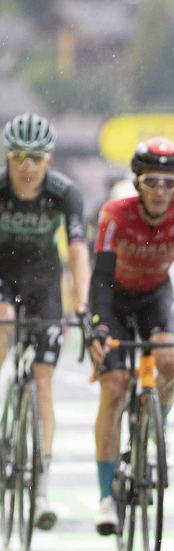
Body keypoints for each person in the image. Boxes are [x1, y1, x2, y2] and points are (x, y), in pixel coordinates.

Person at [89, 137, 174, 535]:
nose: (160, 191)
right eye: (151, 182)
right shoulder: (115, 213)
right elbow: (100, 277)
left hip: (155, 297)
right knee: (114, 388)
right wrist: (98, 324)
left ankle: (158, 426)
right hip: (114, 299)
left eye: (169, 182)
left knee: (168, 359)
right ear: (136, 183)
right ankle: (106, 497)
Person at [0, 113, 90, 530]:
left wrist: (83, 304)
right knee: (4, 318)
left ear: (49, 160)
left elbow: (78, 249)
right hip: (3, 278)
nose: (28, 166)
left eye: (36, 158)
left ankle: (41, 491)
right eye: (20, 156)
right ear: (8, 157)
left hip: (44, 285)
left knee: (43, 382)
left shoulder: (65, 193)